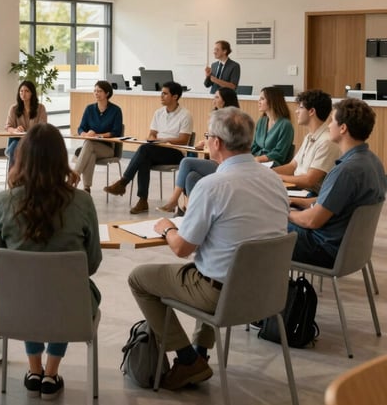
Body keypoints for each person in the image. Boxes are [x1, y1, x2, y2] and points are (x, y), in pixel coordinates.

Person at [128, 107, 288, 391]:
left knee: (140, 278)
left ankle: (187, 358)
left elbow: (181, 248)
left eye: (207, 136)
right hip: (268, 292)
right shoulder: (275, 180)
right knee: (210, 265)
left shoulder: (212, 186)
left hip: (222, 295)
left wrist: (167, 227)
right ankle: (200, 355)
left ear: (216, 143)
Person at [0, 123, 101, 400]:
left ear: (21, 158)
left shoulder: (3, 203)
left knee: (27, 285)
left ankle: (34, 370)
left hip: (15, 307)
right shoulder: (83, 203)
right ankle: (51, 373)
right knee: (64, 286)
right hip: (71, 308)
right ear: (61, 158)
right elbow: (93, 263)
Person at [288, 98, 387, 268]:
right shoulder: (373, 161)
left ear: (343, 128)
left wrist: (283, 212)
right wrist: (295, 202)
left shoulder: (346, 171)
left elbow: (312, 221)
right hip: (351, 248)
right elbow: (332, 202)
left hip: (325, 249)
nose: (328, 126)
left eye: (332, 120)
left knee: (265, 224)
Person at [105, 81, 193, 214]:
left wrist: (162, 140)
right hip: (157, 150)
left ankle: (123, 182)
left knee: (144, 150)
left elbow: (183, 140)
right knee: (144, 159)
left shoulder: (185, 115)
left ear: (175, 97)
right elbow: (152, 133)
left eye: (165, 93)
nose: (161, 96)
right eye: (161, 93)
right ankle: (142, 201)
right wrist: (152, 138)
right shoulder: (158, 113)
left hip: (176, 152)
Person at [158, 87, 239, 214]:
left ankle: (174, 200)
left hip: (225, 164)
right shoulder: (216, 117)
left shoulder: (233, 119)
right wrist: (205, 142)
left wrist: (207, 142)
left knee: (186, 162)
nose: (213, 100)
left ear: (225, 101)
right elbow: (214, 139)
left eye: (217, 97)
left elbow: (223, 142)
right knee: (191, 176)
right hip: (215, 160)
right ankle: (191, 210)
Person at [272, 89, 339, 195]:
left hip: (311, 195)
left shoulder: (327, 141)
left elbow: (309, 181)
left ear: (312, 111)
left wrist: (276, 176)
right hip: (299, 189)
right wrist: (266, 172)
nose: (296, 111)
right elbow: (292, 166)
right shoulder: (309, 136)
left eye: (300, 107)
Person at [73, 80, 123, 194]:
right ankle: (86, 189)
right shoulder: (89, 109)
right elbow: (80, 128)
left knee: (88, 145)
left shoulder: (116, 110)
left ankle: (75, 175)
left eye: (99, 91)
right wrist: (84, 134)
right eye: (95, 90)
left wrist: (98, 135)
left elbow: (116, 132)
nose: (96, 93)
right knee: (91, 153)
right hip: (90, 147)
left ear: (107, 93)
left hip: (108, 149)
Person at [4, 80, 47, 166]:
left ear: (32, 93)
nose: (23, 93)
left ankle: (26, 177)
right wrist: (15, 130)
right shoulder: (13, 108)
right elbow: (8, 127)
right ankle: (13, 178)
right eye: (21, 91)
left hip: (34, 141)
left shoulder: (40, 108)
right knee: (15, 147)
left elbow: (43, 127)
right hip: (18, 140)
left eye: (27, 91)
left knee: (18, 149)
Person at [251, 86, 294, 166]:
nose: (259, 101)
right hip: (257, 160)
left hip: (273, 163)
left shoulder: (285, 125)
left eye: (262, 99)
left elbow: (280, 153)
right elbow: (254, 146)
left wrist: (259, 159)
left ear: (272, 101)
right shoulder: (261, 121)